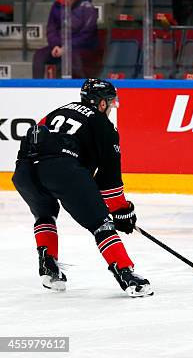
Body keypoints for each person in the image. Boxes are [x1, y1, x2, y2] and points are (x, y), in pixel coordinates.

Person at [11, 79, 153, 298]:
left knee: (44, 214)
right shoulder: (104, 126)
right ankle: (126, 274)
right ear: (102, 104)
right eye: (110, 102)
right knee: (101, 225)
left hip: (24, 170)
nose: (111, 107)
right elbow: (110, 180)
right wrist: (122, 211)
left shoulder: (57, 111)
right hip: (61, 169)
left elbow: (35, 135)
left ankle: (48, 266)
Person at [32, 0, 98, 79]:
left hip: (79, 47)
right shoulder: (57, 6)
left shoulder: (88, 8)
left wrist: (67, 47)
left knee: (73, 57)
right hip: (59, 45)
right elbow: (51, 29)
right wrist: (56, 46)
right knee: (39, 55)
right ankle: (36, 87)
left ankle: (79, 87)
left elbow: (87, 35)